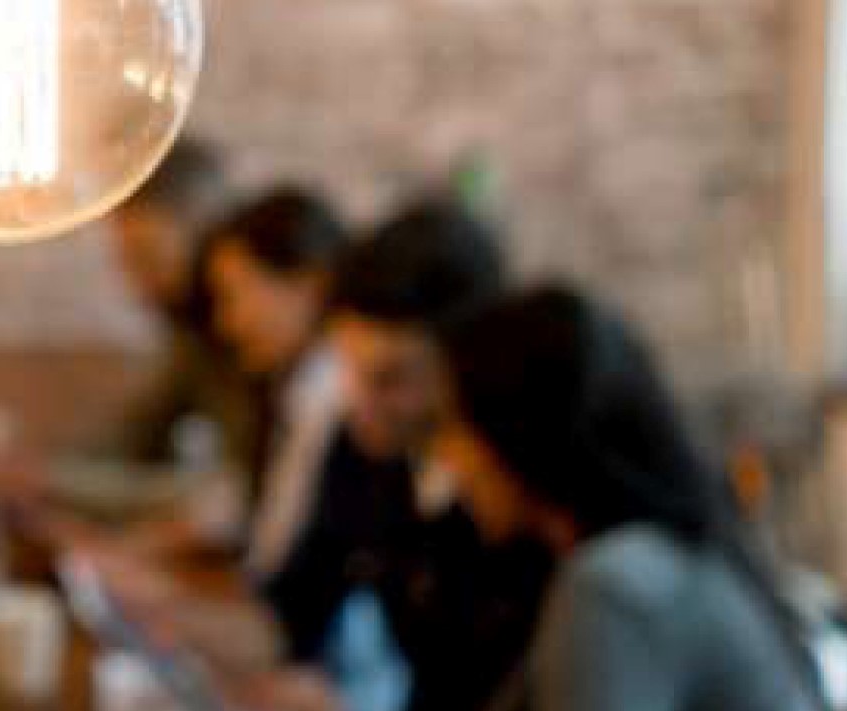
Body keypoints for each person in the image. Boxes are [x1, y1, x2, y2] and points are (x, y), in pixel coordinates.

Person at [425, 287, 820, 711]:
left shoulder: (612, 588)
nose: (446, 456)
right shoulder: (664, 554)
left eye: (457, 428)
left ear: (520, 437)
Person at [185, 189, 413, 711]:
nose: (226, 322)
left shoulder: (344, 412)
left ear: (309, 286)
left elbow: (298, 617)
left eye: (235, 295)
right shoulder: (293, 397)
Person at [324, 198, 551, 711]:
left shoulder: (529, 507)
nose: (360, 406)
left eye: (390, 379)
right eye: (350, 369)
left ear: (470, 358)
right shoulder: (380, 462)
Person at [104, 137, 268, 474]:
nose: (137, 286)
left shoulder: (257, 340)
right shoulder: (194, 339)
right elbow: (136, 435)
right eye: (129, 262)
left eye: (147, 257)